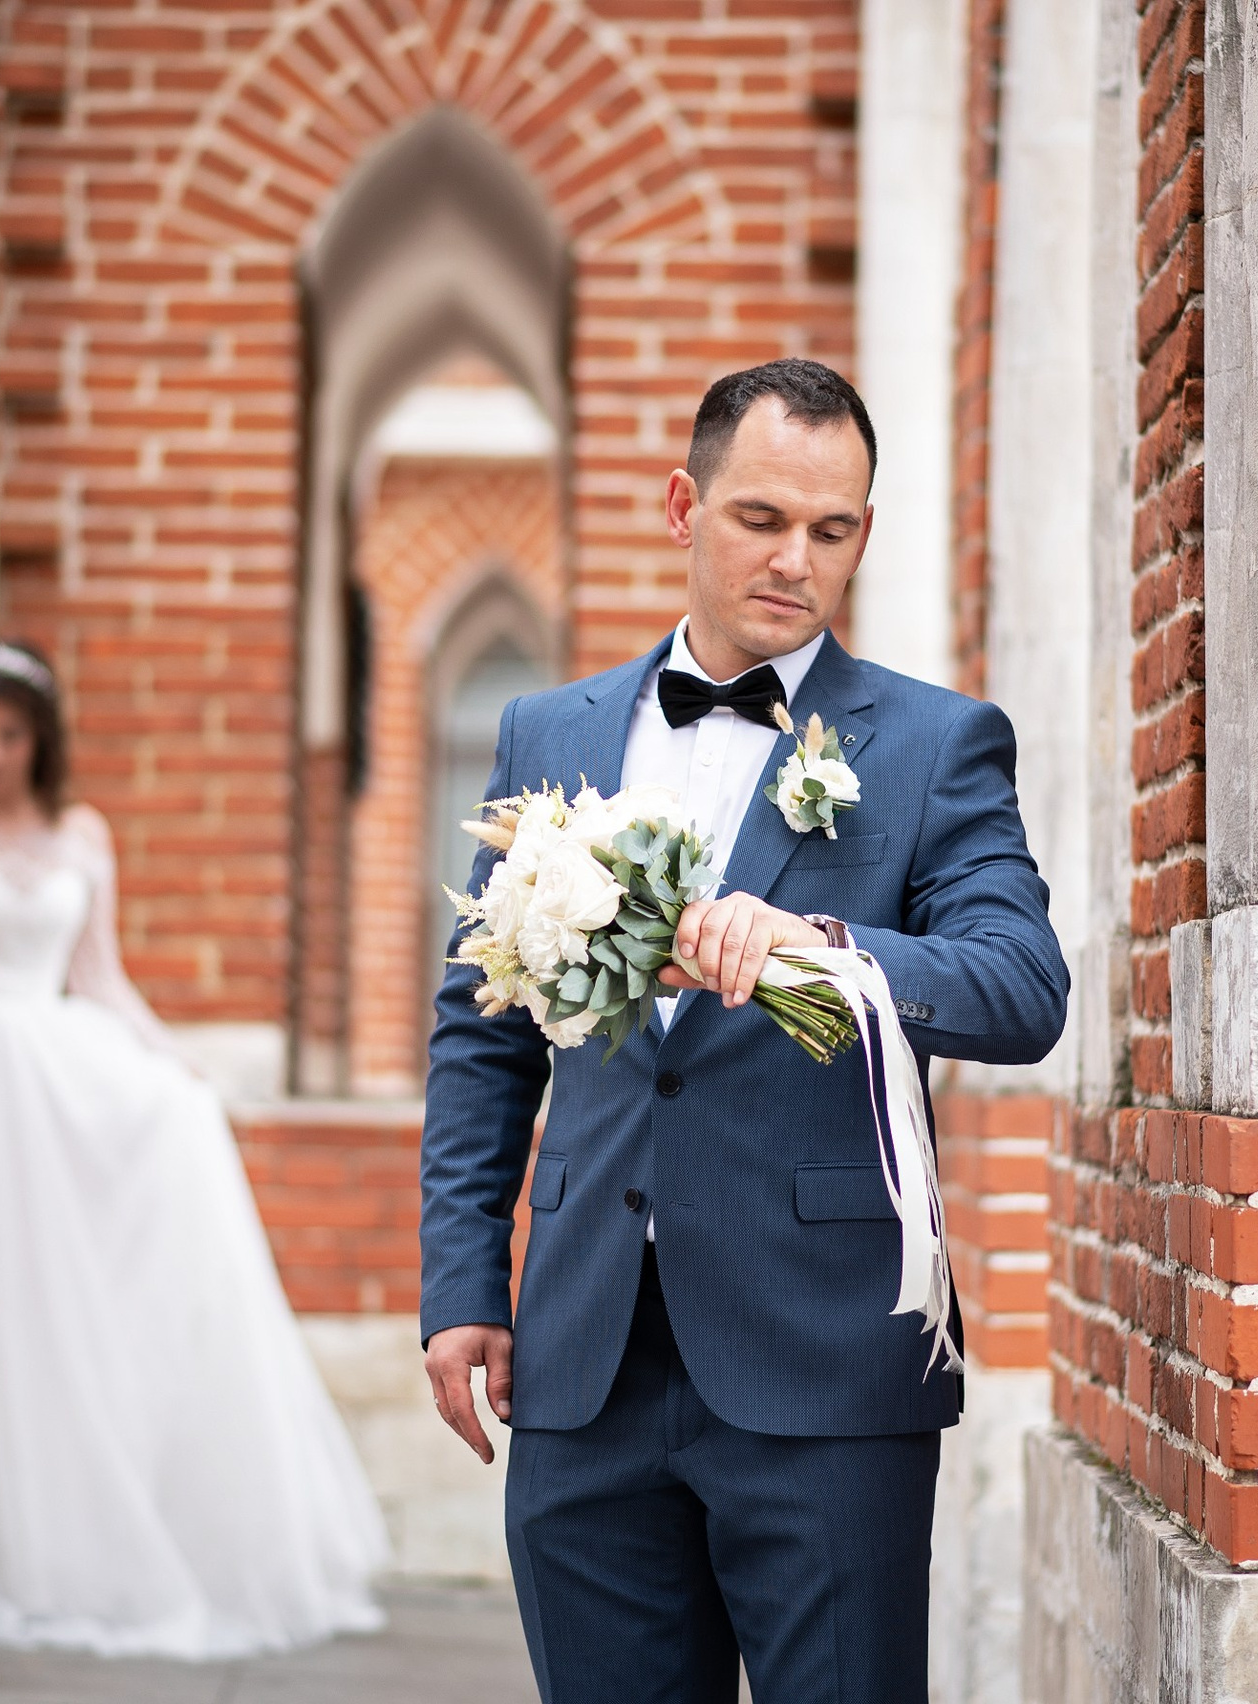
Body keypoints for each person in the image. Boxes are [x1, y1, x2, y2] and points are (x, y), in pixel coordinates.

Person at [419, 359, 1069, 1700]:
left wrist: (819, 945)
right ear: (681, 506)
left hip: (824, 1366)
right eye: (761, 519)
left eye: (832, 531)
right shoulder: (550, 731)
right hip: (585, 1359)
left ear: (864, 536)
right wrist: (464, 1287)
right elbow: (482, 1032)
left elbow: (1020, 987)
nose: (796, 560)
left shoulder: (933, 747)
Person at [0, 641, 388, 1659]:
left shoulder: (80, 835)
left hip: (34, 1075)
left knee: (68, 1252)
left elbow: (97, 975)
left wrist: (174, 1064)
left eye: (9, 734)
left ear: (41, 737)